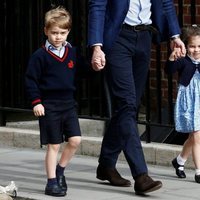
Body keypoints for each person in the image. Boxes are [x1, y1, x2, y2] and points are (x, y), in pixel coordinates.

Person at [88, 0, 186, 195]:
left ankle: (106, 164)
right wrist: (96, 47)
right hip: (117, 38)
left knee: (127, 107)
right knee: (126, 104)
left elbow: (165, 2)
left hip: (144, 38)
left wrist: (175, 35)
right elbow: (97, 6)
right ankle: (141, 175)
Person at [25, 6, 81, 197]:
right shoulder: (39, 56)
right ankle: (51, 183)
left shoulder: (72, 53)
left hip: (68, 104)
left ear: (68, 32)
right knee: (54, 145)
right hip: (49, 106)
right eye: (54, 32)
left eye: (62, 33)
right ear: (46, 31)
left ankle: (60, 170)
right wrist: (36, 102)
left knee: (75, 140)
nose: (58, 37)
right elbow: (30, 80)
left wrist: (97, 65)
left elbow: (82, 72)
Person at [165, 24, 200, 184]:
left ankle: (179, 161)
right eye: (192, 46)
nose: (196, 50)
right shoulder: (184, 60)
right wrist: (172, 57)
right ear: (186, 46)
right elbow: (169, 70)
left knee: (194, 137)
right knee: (196, 135)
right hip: (189, 101)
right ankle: (199, 171)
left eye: (199, 46)